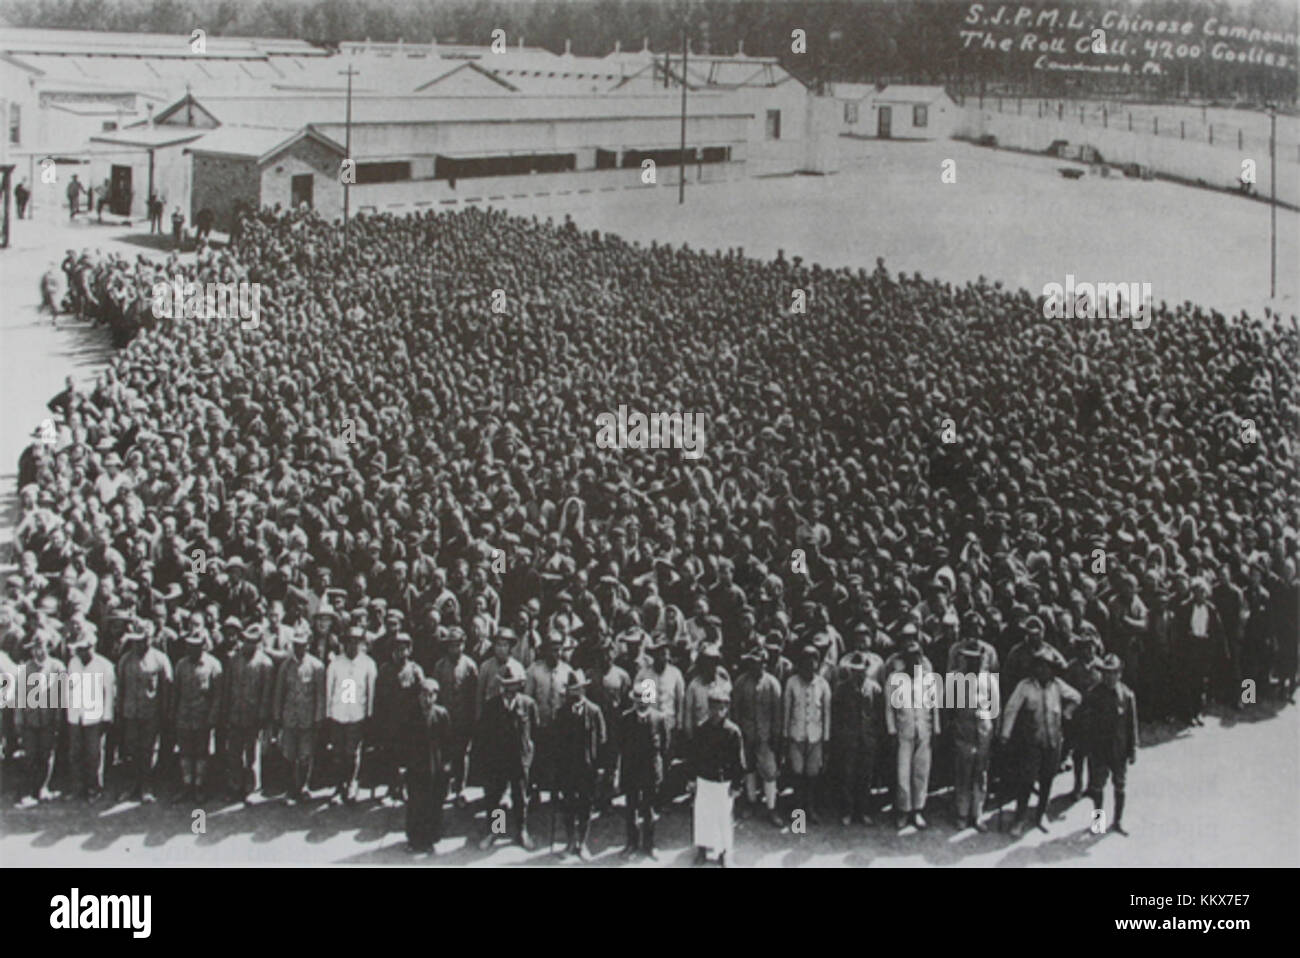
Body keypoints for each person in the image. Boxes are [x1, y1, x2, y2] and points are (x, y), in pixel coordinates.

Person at [1000, 648, 1082, 838]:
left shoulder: (1057, 686)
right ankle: (1019, 818)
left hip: (1053, 741)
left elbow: (1077, 697)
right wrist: (1005, 734)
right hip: (1031, 742)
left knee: (1047, 779)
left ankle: (1040, 815)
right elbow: (1011, 709)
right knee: (1027, 781)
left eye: (1047, 667)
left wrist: (1067, 712)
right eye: (1040, 666)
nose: (1043, 671)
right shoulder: (1025, 686)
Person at [476, 660, 539, 851]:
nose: (510, 689)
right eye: (506, 685)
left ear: (520, 685)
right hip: (497, 759)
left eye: (514, 685)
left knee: (520, 797)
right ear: (501, 686)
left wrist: (529, 757)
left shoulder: (528, 704)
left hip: (519, 759)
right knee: (495, 797)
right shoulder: (492, 706)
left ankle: (521, 831)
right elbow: (484, 736)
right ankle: (496, 830)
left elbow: (534, 733)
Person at [1079, 653, 1138, 835]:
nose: (1109, 677)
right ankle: (1098, 823)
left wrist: (1132, 749)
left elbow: (1131, 725)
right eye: (1106, 673)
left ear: (1120, 673)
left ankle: (1117, 822)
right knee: (1098, 788)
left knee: (1120, 786)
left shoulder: (1127, 695)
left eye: (1113, 673)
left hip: (1119, 751)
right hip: (1100, 751)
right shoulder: (1093, 694)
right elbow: (1086, 725)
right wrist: (1087, 748)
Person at [884, 635, 940, 829]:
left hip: (924, 730)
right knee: (902, 774)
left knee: (921, 772)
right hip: (903, 731)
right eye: (910, 656)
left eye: (917, 656)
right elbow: (889, 709)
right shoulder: (895, 679)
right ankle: (903, 810)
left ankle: (917, 810)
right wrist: (891, 732)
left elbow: (934, 707)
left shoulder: (928, 678)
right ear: (903, 658)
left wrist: (936, 731)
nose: (914, 660)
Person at [689, 684, 745, 867]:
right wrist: (692, 779)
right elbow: (693, 757)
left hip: (723, 782)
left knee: (723, 818)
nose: (717, 711)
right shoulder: (701, 729)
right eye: (713, 706)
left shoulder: (733, 732)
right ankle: (702, 850)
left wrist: (737, 784)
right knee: (702, 816)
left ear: (727, 708)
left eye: (721, 707)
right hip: (704, 780)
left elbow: (738, 761)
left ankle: (723, 852)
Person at [116, 625, 173, 803]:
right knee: (131, 750)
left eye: (143, 640)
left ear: (150, 639)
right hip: (130, 713)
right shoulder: (125, 659)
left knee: (148, 751)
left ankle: (146, 787)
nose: (139, 644)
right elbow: (120, 687)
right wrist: (120, 711)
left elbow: (167, 689)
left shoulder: (160, 659)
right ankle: (131, 785)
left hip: (151, 714)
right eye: (136, 641)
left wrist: (165, 714)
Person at [552, 669, 606, 860]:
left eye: (578, 690)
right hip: (567, 769)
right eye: (571, 690)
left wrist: (600, 767)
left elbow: (601, 741)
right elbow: (556, 743)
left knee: (585, 806)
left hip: (587, 768)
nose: (575, 694)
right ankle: (569, 841)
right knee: (568, 806)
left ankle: (582, 842)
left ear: (584, 690)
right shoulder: (561, 712)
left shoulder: (594, 711)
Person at [222, 623, 275, 802]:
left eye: (252, 642)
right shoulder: (233, 660)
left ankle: (253, 788)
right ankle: (234, 786)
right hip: (235, 714)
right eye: (246, 641)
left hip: (254, 717)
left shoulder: (265, 664)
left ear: (259, 643)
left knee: (253, 755)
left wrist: (263, 716)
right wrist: (226, 712)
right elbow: (227, 688)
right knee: (234, 753)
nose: (248, 645)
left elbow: (267, 693)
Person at [831, 650, 885, 826]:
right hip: (848, 740)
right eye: (854, 671)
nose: (857, 674)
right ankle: (847, 811)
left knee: (865, 777)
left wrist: (875, 737)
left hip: (867, 740)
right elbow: (836, 717)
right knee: (847, 776)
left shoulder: (875, 689)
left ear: (866, 670)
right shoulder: (841, 690)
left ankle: (863, 812)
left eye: (861, 670)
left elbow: (879, 716)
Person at [273, 630, 327, 804]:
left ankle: (303, 787)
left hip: (307, 719)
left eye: (302, 645)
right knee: (288, 754)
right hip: (289, 718)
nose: (299, 649)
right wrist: (277, 716)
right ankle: (290, 789)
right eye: (296, 645)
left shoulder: (317, 666)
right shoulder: (285, 666)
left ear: (308, 645)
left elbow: (320, 695)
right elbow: (279, 693)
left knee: (305, 755)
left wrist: (319, 717)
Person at [732, 646, 783, 827]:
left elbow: (777, 715)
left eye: (757, 663)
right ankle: (750, 803)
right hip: (746, 735)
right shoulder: (741, 683)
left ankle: (771, 808)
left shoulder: (773, 684)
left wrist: (774, 737)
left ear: (764, 664)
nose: (754, 667)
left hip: (765, 736)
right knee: (749, 769)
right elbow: (735, 711)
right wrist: (740, 733)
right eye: (751, 663)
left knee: (769, 772)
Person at [326, 626, 376, 805]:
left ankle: (352, 784)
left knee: (353, 752)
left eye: (357, 642)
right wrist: (328, 714)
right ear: (344, 644)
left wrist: (369, 716)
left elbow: (370, 692)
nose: (353, 646)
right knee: (338, 752)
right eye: (349, 642)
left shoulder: (368, 664)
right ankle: (339, 786)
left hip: (357, 715)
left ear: (362, 644)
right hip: (338, 714)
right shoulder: (336, 664)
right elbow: (329, 690)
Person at [619, 677, 669, 859]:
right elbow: (621, 747)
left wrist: (660, 770)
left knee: (649, 810)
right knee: (631, 808)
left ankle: (650, 844)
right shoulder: (625, 719)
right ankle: (631, 843)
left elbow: (664, 746)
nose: (641, 703)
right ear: (633, 700)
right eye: (637, 700)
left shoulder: (659, 718)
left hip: (650, 770)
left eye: (644, 699)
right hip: (631, 770)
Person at [172, 630, 223, 803]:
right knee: (185, 752)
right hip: (184, 715)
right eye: (190, 645)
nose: (192, 649)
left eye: (196, 645)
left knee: (202, 753)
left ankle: (200, 786)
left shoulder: (213, 665)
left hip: (203, 716)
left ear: (203, 645)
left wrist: (213, 717)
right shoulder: (181, 665)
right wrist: (174, 713)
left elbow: (217, 695)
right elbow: (176, 691)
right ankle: (187, 785)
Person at [783, 644, 832, 825]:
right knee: (797, 774)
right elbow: (787, 711)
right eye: (805, 662)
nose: (809, 666)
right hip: (796, 736)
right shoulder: (792, 683)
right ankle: (798, 815)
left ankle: (810, 808)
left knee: (812, 775)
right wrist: (785, 735)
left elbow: (827, 714)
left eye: (813, 662)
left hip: (815, 737)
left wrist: (826, 739)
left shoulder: (823, 684)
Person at [14, 634, 65, 805]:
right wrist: (19, 720)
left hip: (49, 721)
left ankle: (43, 787)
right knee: (30, 756)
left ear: (48, 647)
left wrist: (58, 719)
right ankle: (27, 791)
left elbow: (61, 696)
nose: (38, 651)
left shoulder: (57, 667)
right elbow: (19, 698)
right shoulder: (24, 669)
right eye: (35, 648)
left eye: (41, 647)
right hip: (30, 721)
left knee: (46, 755)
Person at [373, 632, 424, 803]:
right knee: (390, 756)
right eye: (397, 649)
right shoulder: (384, 670)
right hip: (389, 722)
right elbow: (378, 697)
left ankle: (405, 788)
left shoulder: (415, 670)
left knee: (408, 757)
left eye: (404, 649)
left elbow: (422, 696)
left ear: (409, 650)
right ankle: (391, 787)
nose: (400, 653)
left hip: (409, 722)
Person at [65, 630, 115, 802]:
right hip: (75, 716)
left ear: (91, 647)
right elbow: (69, 689)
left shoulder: (105, 666)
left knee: (94, 755)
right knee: (75, 753)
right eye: (78, 649)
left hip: (95, 717)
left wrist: (107, 717)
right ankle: (77, 788)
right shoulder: (73, 663)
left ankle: (94, 789)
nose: (80, 653)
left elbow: (109, 693)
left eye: (84, 649)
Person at [404, 678, 451, 853]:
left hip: (435, 766)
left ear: (436, 697)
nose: (427, 699)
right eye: (424, 695)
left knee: (434, 803)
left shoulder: (441, 714)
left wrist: (447, 764)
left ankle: (431, 837)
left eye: (431, 695)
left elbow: (447, 742)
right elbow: (403, 743)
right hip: (416, 767)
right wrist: (403, 767)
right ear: (418, 696)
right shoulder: (411, 714)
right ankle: (414, 839)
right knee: (416, 803)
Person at [432, 627, 478, 807]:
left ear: (463, 645)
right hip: (444, 719)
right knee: (444, 755)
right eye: (451, 645)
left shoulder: (470, 665)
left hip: (463, 719)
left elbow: (474, 694)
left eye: (457, 645)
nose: (454, 649)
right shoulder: (440, 666)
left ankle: (460, 789)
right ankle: (444, 788)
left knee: (461, 756)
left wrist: (472, 719)